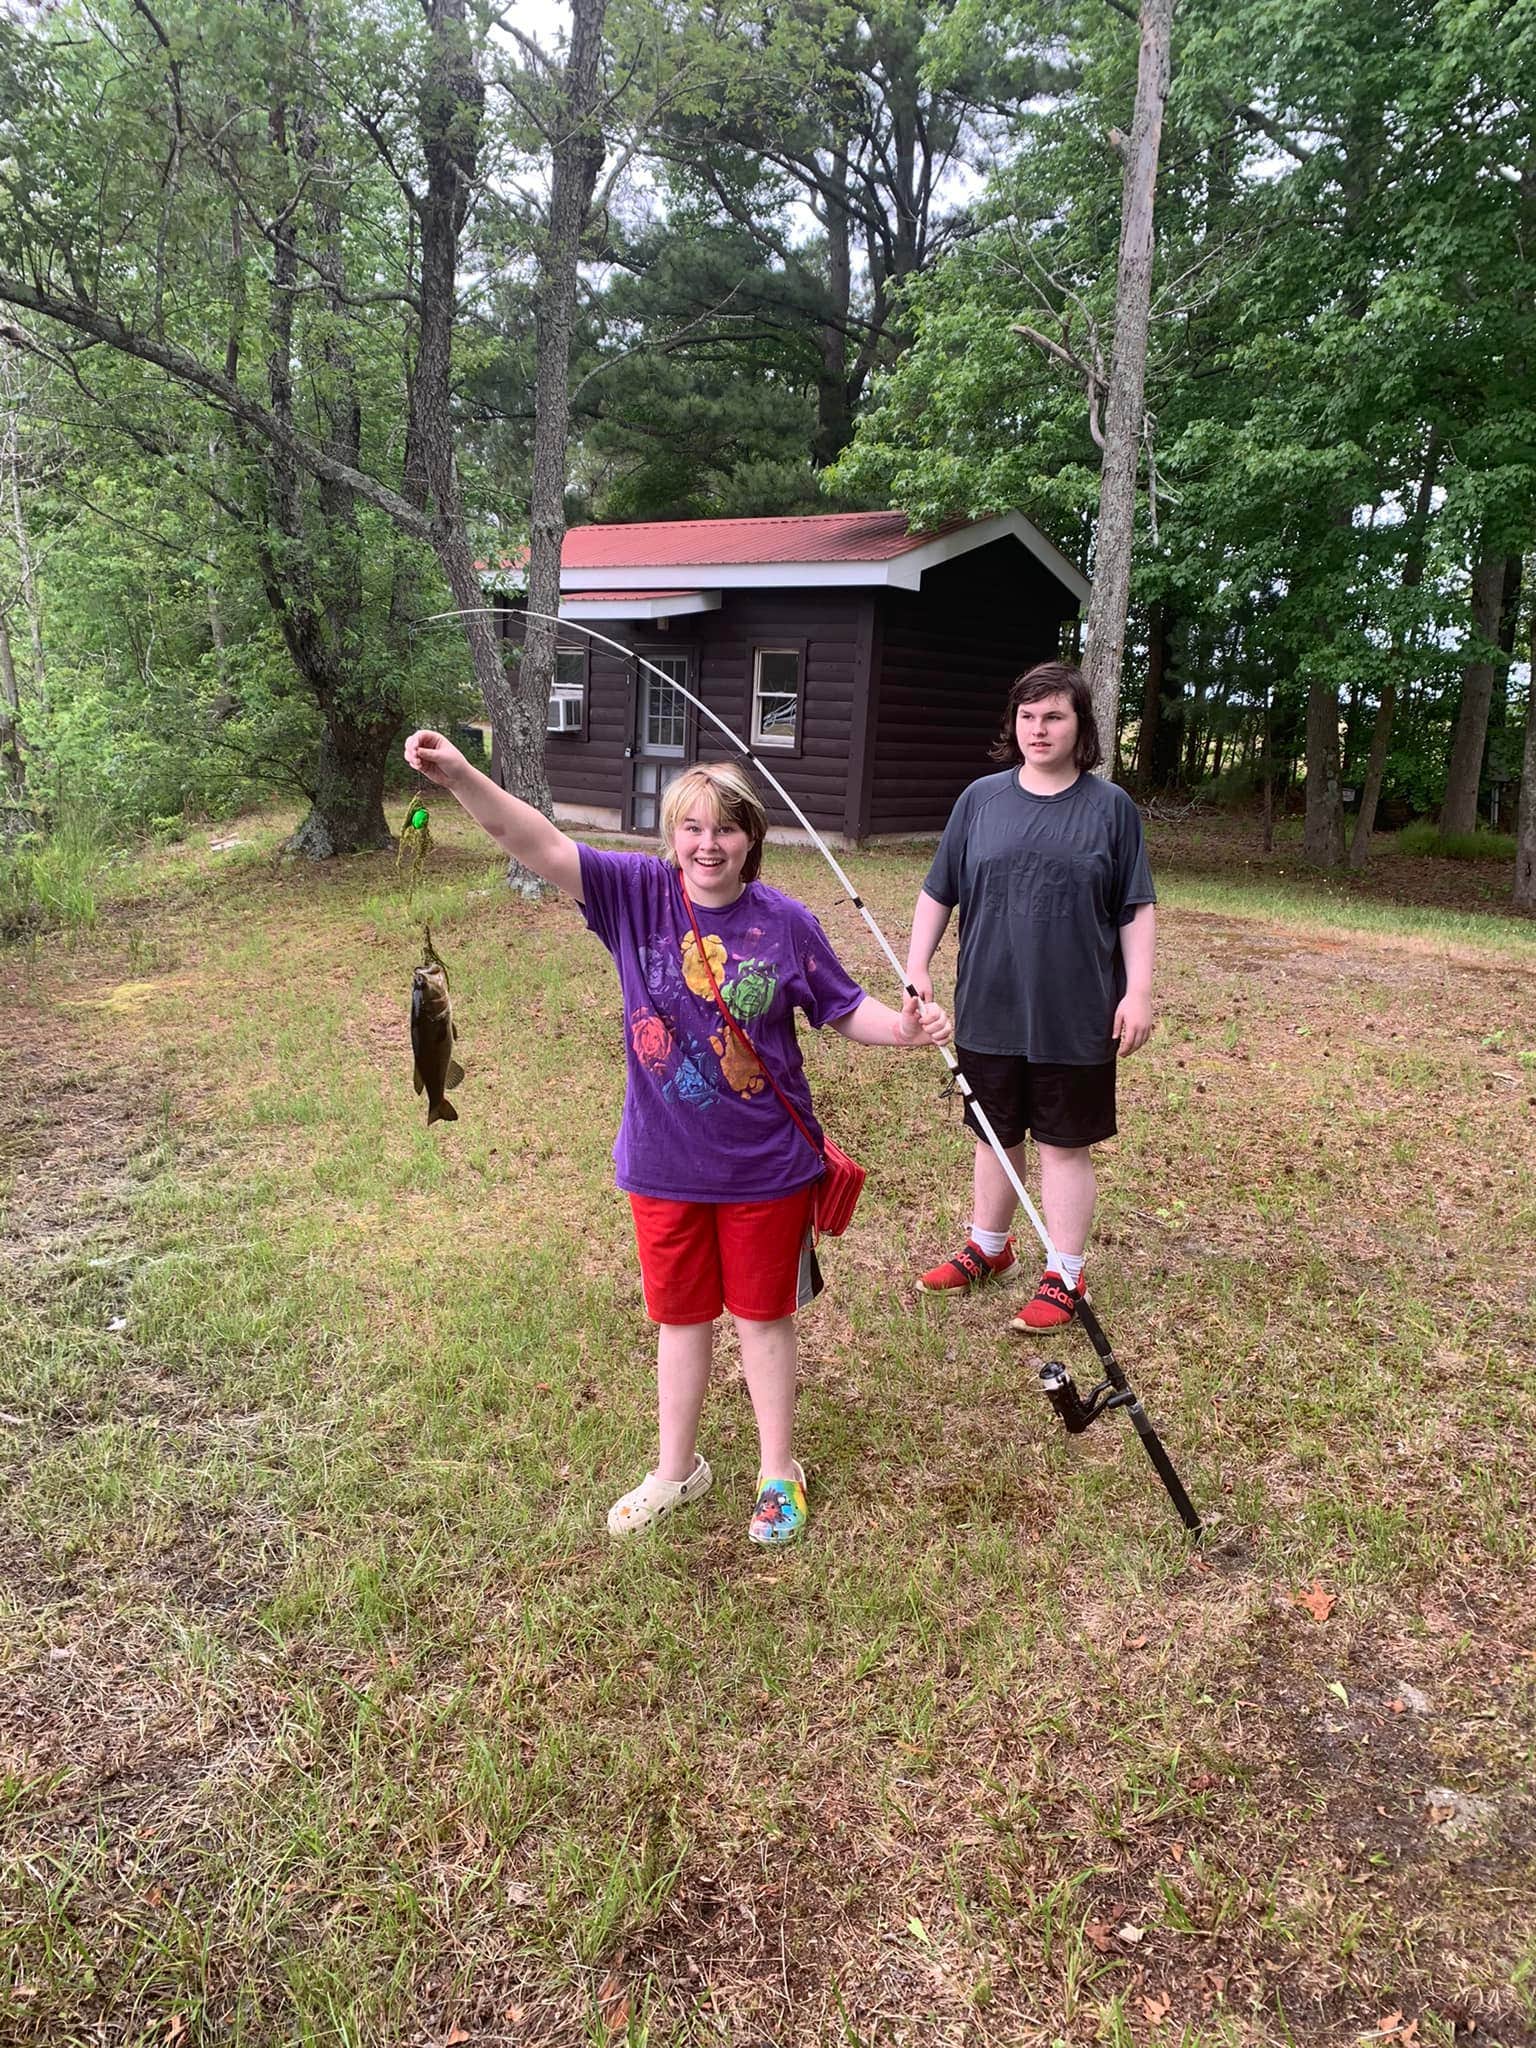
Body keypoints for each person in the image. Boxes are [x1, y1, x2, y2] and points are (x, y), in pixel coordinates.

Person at [402, 732, 952, 1545]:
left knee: (764, 1320)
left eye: (725, 828)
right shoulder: (633, 894)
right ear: (672, 836)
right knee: (682, 1320)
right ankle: (675, 1471)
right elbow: (530, 837)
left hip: (767, 1165)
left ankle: (778, 1471)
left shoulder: (786, 923)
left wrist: (904, 1029)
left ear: (751, 838)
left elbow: (845, 1008)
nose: (707, 844)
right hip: (661, 1163)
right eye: (691, 827)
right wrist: (458, 775)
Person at [904, 661, 1155, 1332]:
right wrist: (916, 963)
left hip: (1076, 1012)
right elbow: (939, 890)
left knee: (1063, 1145)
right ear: (1013, 725)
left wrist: (1138, 993)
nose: (1039, 730)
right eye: (1028, 717)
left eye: (1054, 717)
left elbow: (1135, 908)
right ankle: (990, 1248)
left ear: (1081, 727)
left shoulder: (1111, 809)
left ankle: (1065, 1275)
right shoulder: (980, 800)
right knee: (994, 1133)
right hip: (989, 1004)